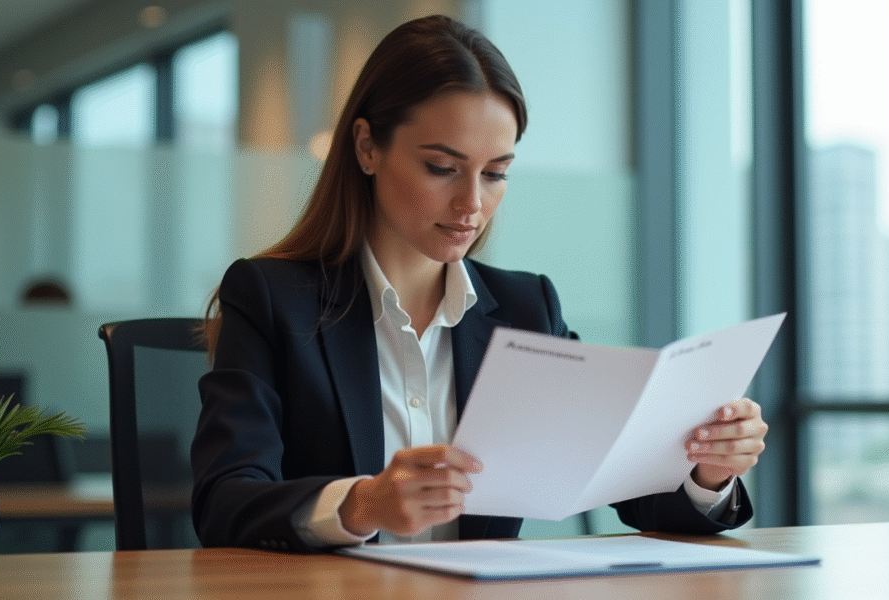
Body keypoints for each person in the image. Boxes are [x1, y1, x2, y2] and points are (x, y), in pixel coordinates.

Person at [191, 14, 768, 551]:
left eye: (495, 174)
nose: (471, 204)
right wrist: (364, 503)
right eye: (442, 168)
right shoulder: (271, 299)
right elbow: (224, 502)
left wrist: (707, 471)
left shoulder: (525, 308)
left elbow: (626, 486)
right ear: (367, 147)